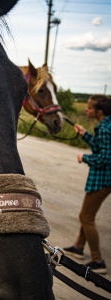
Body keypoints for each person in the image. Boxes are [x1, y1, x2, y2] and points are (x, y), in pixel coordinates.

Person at [64, 94, 111, 274]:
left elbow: (105, 158)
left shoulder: (106, 129)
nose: (86, 109)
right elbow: (101, 146)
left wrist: (85, 157)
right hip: (103, 178)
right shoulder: (106, 126)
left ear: (99, 112)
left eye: (90, 108)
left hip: (102, 179)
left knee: (86, 217)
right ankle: (78, 246)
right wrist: (85, 135)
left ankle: (98, 261)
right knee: (87, 215)